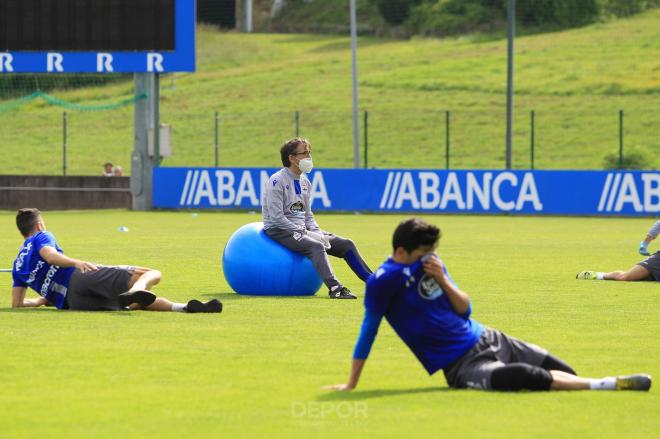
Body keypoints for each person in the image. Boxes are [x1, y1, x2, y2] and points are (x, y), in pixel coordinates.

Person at [325, 218, 651, 392]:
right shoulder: (383, 281)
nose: (430, 255)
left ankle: (589, 383)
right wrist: (352, 382)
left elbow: (465, 310)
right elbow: (369, 329)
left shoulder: (431, 264)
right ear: (401, 250)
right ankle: (608, 384)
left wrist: (443, 279)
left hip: (488, 338)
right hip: (460, 366)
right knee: (528, 376)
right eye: (425, 251)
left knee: (564, 373)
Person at [11, 208, 221, 313]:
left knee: (132, 303)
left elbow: (17, 304)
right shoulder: (42, 236)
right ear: (39, 225)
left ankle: (183, 307)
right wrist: (76, 262)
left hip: (72, 303)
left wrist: (39, 300)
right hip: (79, 279)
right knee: (151, 274)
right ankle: (135, 290)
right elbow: (49, 255)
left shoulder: (17, 265)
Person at [262, 137, 372, 299]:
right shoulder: (277, 181)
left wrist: (315, 231)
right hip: (280, 230)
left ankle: (375, 282)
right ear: (291, 158)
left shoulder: (305, 181)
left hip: (302, 230)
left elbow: (308, 215)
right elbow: (276, 217)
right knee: (316, 246)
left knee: (346, 244)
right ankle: (335, 289)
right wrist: (304, 232)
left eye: (309, 152)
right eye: (304, 153)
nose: (308, 157)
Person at [576, 252, 659, 281]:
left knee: (645, 278)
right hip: (657, 261)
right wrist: (645, 242)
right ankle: (598, 275)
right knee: (624, 277)